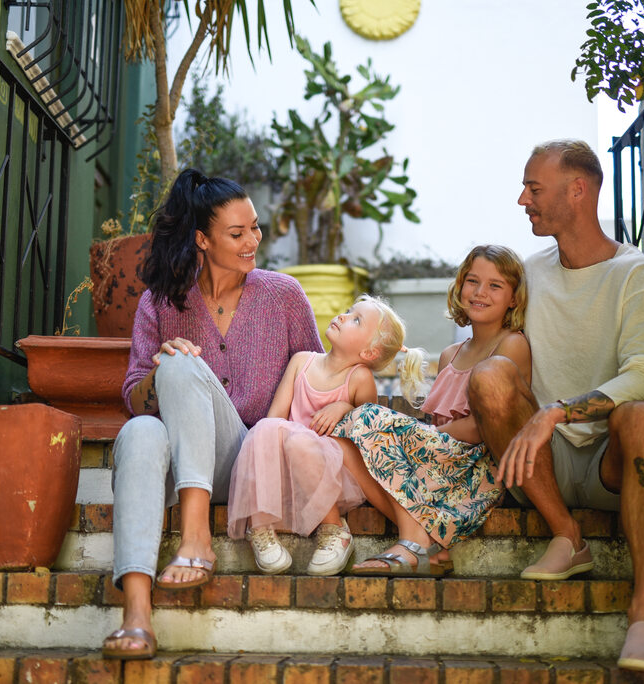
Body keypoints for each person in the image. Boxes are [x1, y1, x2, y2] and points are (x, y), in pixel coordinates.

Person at [467, 140, 644, 672]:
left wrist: (557, 409)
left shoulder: (635, 274)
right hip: (544, 465)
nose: (522, 200)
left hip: (614, 459)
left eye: (534, 188)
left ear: (577, 190)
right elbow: (485, 335)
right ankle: (567, 535)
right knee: (490, 376)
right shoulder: (530, 274)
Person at [101, 169, 323, 660]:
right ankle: (136, 614)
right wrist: (159, 375)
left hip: (249, 458)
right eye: (237, 233)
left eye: (256, 228)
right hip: (181, 462)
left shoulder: (283, 294)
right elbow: (132, 396)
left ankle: (196, 536)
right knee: (140, 429)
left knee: (180, 363)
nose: (253, 241)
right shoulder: (160, 303)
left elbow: (317, 378)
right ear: (202, 239)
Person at [332, 245, 531, 575]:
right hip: (442, 460)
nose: (480, 292)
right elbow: (436, 426)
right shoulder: (450, 354)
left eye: (495, 285)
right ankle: (423, 542)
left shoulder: (512, 344)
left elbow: (488, 427)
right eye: (472, 281)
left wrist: (421, 433)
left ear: (513, 298)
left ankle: (414, 544)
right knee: (342, 441)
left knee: (366, 417)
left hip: (475, 469)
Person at [227, 295, 426, 576]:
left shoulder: (359, 378)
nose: (343, 316)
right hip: (287, 473)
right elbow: (274, 419)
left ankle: (334, 530)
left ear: (369, 353)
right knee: (265, 428)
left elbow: (366, 439)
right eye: (348, 311)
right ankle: (260, 528)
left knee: (300, 442)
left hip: (333, 478)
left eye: (356, 320)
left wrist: (344, 406)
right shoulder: (301, 362)